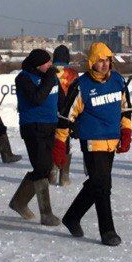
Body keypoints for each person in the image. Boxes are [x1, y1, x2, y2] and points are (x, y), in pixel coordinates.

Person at [54, 42, 132, 246]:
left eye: (107, 60)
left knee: (97, 184)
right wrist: (60, 144)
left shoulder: (117, 80)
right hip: (92, 141)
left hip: (111, 141)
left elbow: (126, 109)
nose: (104, 64)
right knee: (102, 185)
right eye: (100, 60)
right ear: (91, 62)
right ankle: (108, 231)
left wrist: (126, 131)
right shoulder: (82, 86)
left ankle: (72, 216)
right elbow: (66, 117)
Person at [10, 48, 61, 226]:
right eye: (47, 63)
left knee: (45, 168)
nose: (50, 65)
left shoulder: (51, 76)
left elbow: (58, 98)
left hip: (50, 125)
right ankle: (46, 213)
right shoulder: (24, 78)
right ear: (38, 65)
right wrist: (49, 77)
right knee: (42, 167)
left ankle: (19, 202)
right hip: (33, 127)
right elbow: (37, 98)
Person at [49, 45, 79, 186]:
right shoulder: (72, 73)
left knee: (51, 142)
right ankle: (64, 176)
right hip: (67, 113)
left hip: (50, 112)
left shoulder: (49, 71)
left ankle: (51, 172)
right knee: (64, 142)